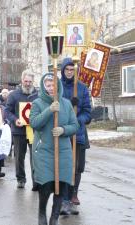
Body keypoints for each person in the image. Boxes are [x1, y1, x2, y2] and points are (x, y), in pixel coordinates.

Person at [29, 73, 79, 225]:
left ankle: (54, 218)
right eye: (48, 85)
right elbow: (34, 123)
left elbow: (75, 125)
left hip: (62, 151)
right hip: (44, 151)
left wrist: (63, 130)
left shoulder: (66, 103)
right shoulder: (37, 103)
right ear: (44, 87)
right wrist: (49, 110)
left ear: (58, 86)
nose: (51, 88)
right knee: (46, 185)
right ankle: (42, 213)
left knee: (61, 186)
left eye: (53, 85)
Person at [60, 58, 92, 215]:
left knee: (77, 167)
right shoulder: (58, 87)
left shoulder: (82, 88)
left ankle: (73, 195)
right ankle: (64, 199)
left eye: (72, 70)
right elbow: (55, 106)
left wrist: (78, 121)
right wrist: (67, 104)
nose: (70, 72)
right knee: (65, 165)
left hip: (78, 133)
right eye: (67, 70)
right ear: (62, 70)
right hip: (63, 132)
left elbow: (87, 112)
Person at [5, 69, 38, 190]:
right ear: (22, 80)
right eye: (26, 81)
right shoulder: (14, 95)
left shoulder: (38, 95)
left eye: (30, 81)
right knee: (19, 156)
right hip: (19, 131)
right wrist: (15, 120)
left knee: (36, 156)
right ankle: (20, 179)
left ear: (33, 81)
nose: (28, 83)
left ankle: (36, 181)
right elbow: (7, 111)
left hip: (34, 131)